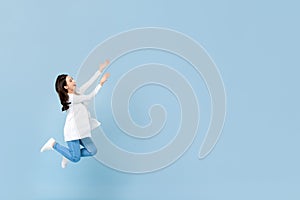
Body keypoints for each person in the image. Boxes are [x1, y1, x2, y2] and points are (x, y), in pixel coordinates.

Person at [40, 60, 110, 168]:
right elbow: (90, 97)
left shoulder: (77, 92)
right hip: (73, 132)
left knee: (92, 150)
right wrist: (101, 84)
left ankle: (67, 154)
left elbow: (89, 83)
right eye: (70, 80)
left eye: (72, 79)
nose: (74, 81)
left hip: (82, 130)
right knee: (75, 158)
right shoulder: (72, 98)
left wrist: (99, 71)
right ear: (66, 87)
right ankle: (53, 144)